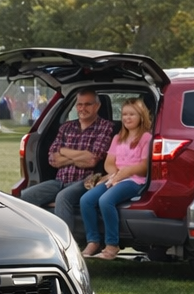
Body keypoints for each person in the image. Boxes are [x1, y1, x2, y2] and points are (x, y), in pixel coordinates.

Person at [20, 92, 116, 239]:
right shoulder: (66, 127)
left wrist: (64, 152)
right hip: (59, 181)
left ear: (97, 106)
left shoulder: (106, 127)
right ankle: (33, 239)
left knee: (63, 197)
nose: (82, 108)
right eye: (79, 104)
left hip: (85, 182)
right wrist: (81, 156)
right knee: (25, 196)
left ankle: (65, 243)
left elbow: (93, 160)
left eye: (88, 104)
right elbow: (53, 159)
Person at [78, 98, 153, 259]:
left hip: (135, 180)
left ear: (141, 116)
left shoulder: (146, 138)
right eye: (124, 114)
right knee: (86, 200)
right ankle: (93, 241)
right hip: (116, 178)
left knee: (105, 200)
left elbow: (143, 167)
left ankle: (112, 245)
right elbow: (109, 163)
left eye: (132, 114)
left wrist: (123, 174)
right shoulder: (118, 138)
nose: (127, 118)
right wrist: (115, 176)